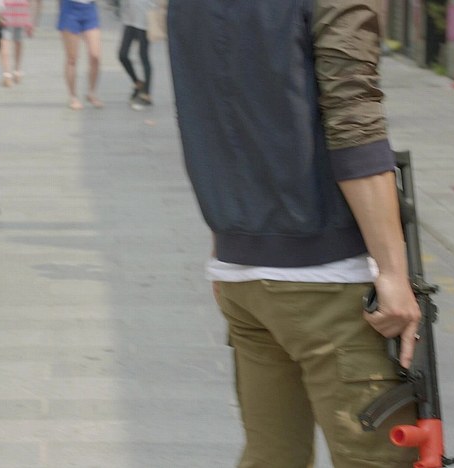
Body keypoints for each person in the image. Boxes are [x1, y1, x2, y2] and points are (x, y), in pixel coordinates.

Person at [168, 2, 422, 467]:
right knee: (377, 458)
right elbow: (354, 123)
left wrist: (224, 243)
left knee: (272, 457)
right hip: (329, 277)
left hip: (241, 272)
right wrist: (392, 270)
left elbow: (209, 115)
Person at [57, 0, 104, 110]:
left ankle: (91, 92)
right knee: (72, 58)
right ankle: (73, 96)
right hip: (70, 9)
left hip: (89, 8)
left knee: (95, 55)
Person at [117, 0, 155, 110]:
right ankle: (138, 83)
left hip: (144, 21)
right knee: (122, 55)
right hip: (129, 20)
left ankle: (146, 94)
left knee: (143, 56)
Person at [0, 0, 35, 87]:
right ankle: (17, 71)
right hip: (20, 8)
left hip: (5, 7)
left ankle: (7, 74)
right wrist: (30, 21)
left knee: (4, 41)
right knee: (18, 40)